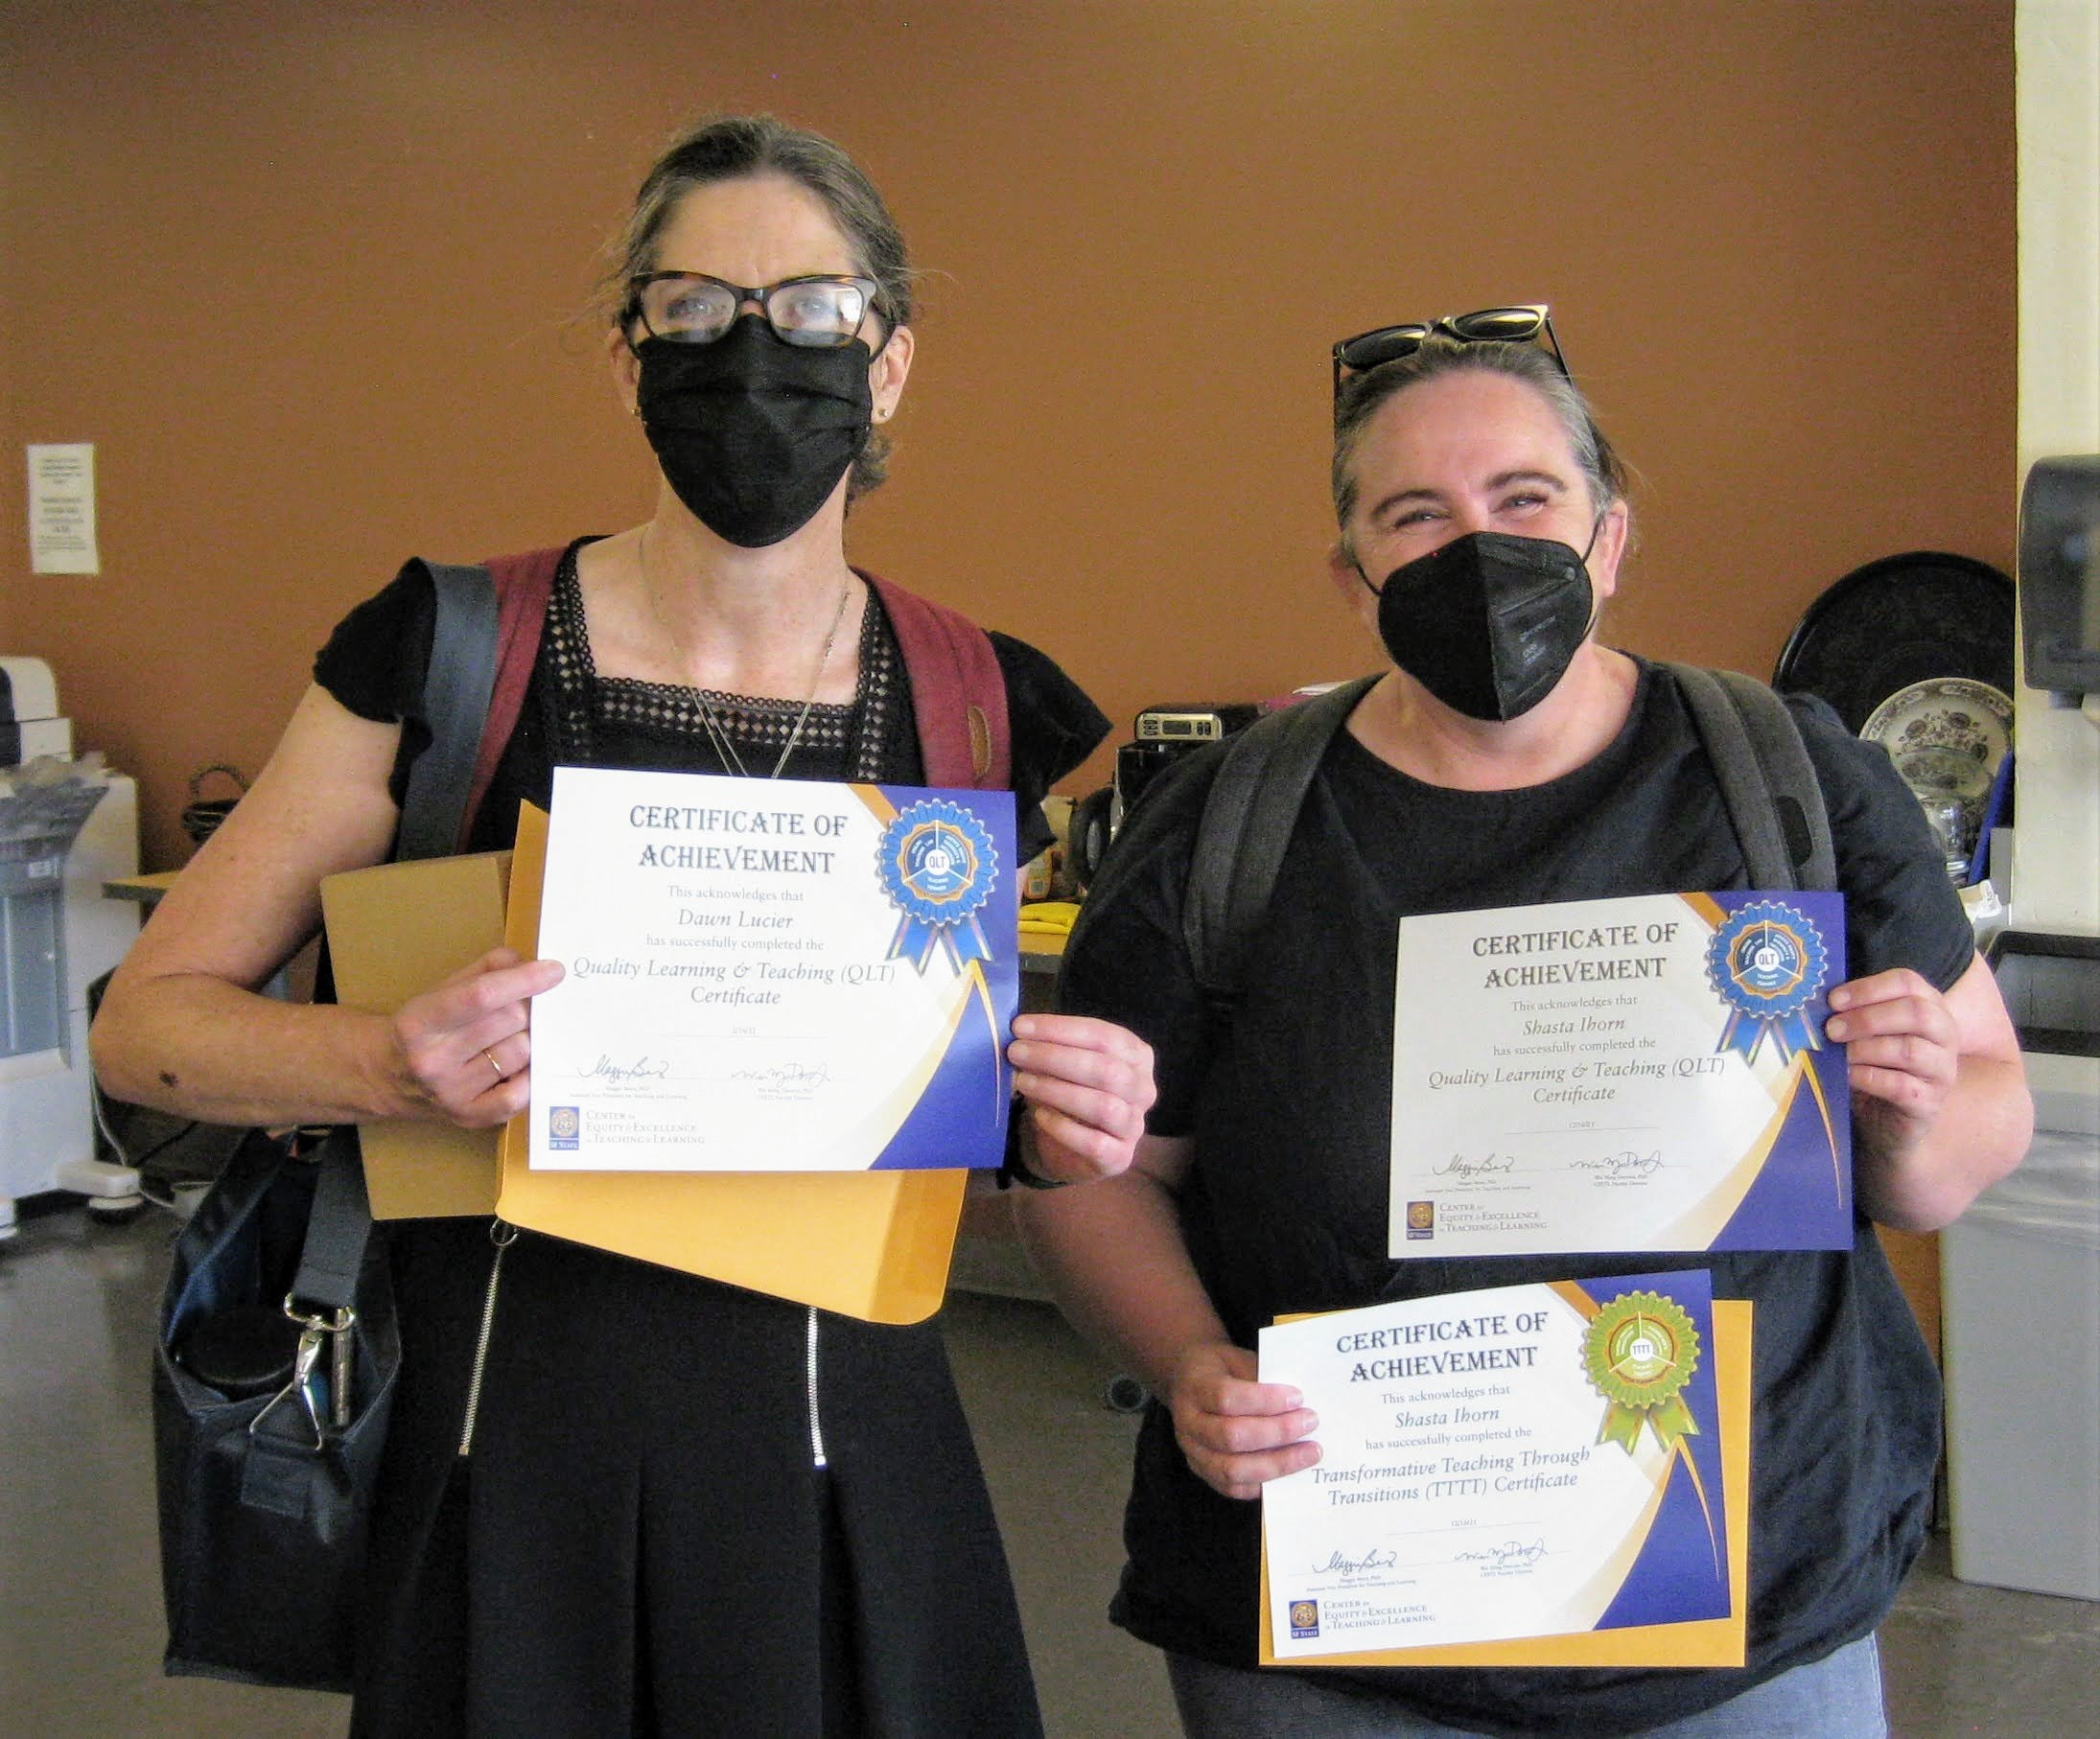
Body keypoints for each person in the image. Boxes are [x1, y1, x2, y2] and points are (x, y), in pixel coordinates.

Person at [92, 113, 1155, 1738]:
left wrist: (1066, 1120)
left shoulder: (982, 702)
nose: (752, 349)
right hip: (502, 1439)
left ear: (887, 365)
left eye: (810, 308)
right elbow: (148, 1027)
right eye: (693, 308)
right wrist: (384, 1060)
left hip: (845, 1455)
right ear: (626, 359)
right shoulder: (445, 652)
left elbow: (973, 1126)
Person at [1016, 309, 2033, 1737]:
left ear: (1607, 538)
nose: (1474, 549)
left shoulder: (1781, 772)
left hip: (1744, 1601)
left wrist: (1915, 1101)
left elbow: (1964, 1129)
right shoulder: (1231, 820)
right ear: (1352, 573)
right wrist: (1186, 1361)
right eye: (1413, 514)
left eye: (1523, 498)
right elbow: (1095, 1172)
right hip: (1341, 1608)